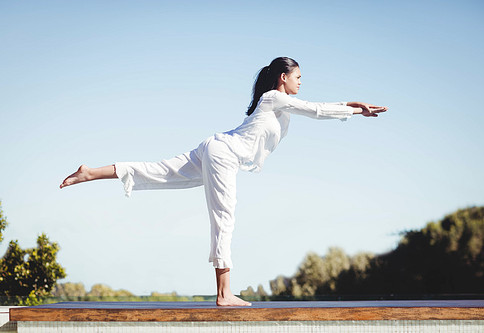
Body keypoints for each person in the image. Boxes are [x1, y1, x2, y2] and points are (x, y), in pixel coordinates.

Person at [60, 57, 388, 306]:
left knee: (161, 171)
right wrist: (353, 108)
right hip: (223, 155)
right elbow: (315, 110)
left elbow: (308, 108)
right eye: (298, 78)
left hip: (215, 148)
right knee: (224, 218)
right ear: (283, 78)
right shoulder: (275, 98)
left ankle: (91, 172)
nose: (301, 83)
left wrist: (348, 109)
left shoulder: (277, 106)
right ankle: (224, 293)